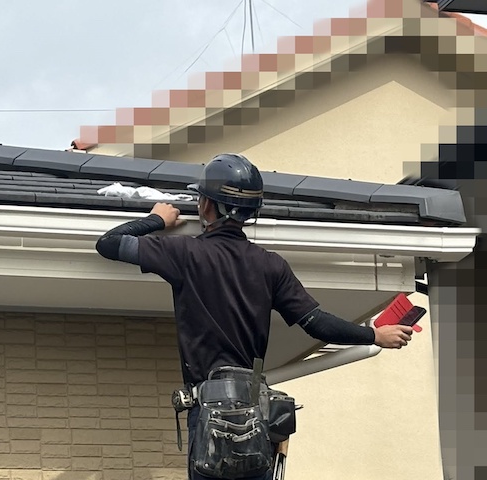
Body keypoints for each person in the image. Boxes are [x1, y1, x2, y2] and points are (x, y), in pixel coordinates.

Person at [95, 153, 413, 480]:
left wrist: (157, 219)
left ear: (206, 206)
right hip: (253, 416)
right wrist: (375, 335)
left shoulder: (185, 254)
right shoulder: (271, 265)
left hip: (207, 415)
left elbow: (108, 243)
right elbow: (316, 322)